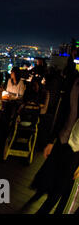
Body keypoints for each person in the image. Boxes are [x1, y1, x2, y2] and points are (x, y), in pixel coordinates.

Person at [29, 56, 79, 214]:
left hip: (77, 150)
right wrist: (52, 140)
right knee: (48, 177)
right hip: (62, 139)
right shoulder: (75, 81)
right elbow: (64, 112)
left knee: (60, 189)